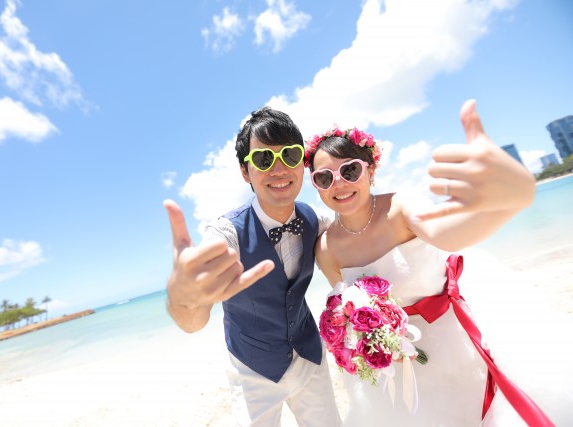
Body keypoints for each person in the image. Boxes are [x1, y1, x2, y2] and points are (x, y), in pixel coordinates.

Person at [306, 99, 569, 426]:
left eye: (349, 170)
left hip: (455, 344)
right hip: (398, 368)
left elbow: (448, 234)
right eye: (324, 178)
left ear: (370, 170)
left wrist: (506, 203)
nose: (339, 183)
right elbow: (345, 312)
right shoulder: (326, 248)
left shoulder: (401, 207)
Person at [163, 107, 342, 426]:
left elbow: (356, 236)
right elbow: (193, 322)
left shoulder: (315, 220)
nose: (279, 169)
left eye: (289, 155)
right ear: (246, 171)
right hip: (252, 370)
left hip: (310, 356)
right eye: (263, 159)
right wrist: (183, 298)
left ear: (302, 163)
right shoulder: (225, 234)